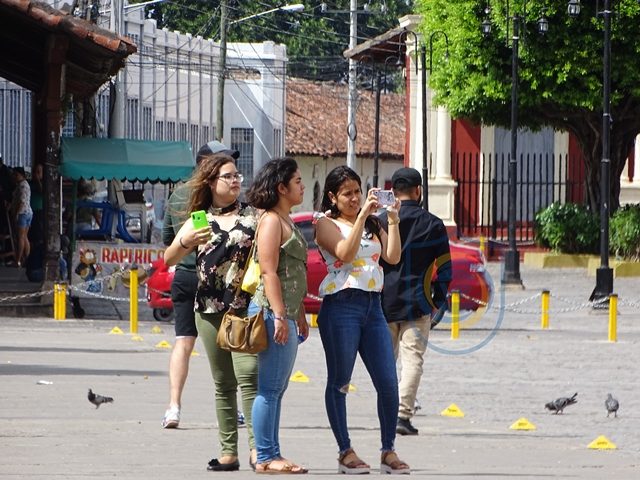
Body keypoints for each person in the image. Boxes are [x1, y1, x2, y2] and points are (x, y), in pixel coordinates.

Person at [164, 151, 260, 472]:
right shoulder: (199, 218)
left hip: (244, 307)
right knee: (223, 383)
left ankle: (258, 449)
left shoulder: (253, 215)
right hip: (208, 309)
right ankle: (228, 452)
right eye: (228, 176)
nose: (235, 181)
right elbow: (168, 258)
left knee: (249, 376)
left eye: (237, 176)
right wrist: (186, 242)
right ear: (211, 182)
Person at [314, 165, 410, 475]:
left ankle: (388, 450)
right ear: (333, 197)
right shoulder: (324, 223)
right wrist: (360, 217)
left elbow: (393, 257)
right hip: (341, 305)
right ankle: (345, 451)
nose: (355, 198)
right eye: (347, 194)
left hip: (373, 306)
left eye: (358, 191)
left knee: (388, 382)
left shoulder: (372, 223)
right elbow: (345, 251)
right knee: (340, 382)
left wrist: (392, 218)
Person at [161, 141, 240, 431]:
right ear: (207, 165)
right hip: (213, 279)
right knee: (228, 344)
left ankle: (173, 406)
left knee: (184, 341)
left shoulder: (178, 192)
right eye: (223, 165)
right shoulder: (216, 198)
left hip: (184, 275)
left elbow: (166, 238)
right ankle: (232, 408)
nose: (231, 176)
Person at [245, 158, 309, 474]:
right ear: (281, 188)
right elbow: (269, 271)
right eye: (297, 181)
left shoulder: (286, 219)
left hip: (285, 313)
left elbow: (292, 272)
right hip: (271, 313)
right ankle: (266, 456)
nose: (303, 186)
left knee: (276, 389)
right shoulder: (271, 221)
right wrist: (281, 316)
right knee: (269, 389)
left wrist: (300, 313)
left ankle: (273, 452)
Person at [379, 167, 452, 436]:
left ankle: (386, 413)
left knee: (385, 361)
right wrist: (436, 300)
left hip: (384, 301)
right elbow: (445, 268)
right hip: (418, 303)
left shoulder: (380, 221)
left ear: (393, 191)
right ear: (418, 190)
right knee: (413, 360)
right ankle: (402, 415)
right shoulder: (433, 224)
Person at [10, 167, 32, 267]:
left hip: (22, 213)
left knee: (20, 237)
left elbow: (22, 202)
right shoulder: (23, 184)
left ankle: (18, 260)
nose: (14, 177)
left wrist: (16, 214)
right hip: (28, 213)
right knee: (24, 237)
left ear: (22, 175)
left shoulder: (22, 186)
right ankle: (27, 259)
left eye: (16, 175)